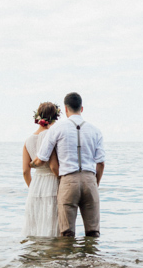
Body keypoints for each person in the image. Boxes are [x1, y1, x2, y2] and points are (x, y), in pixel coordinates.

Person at [34, 92, 105, 237]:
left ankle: (69, 258)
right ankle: (91, 258)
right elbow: (101, 163)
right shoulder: (95, 131)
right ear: (82, 108)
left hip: (68, 181)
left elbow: (41, 158)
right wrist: (95, 182)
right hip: (90, 179)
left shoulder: (57, 128)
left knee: (67, 232)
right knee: (93, 232)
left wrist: (30, 164)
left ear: (66, 109)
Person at [21, 102, 62, 238]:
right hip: (52, 182)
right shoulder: (51, 136)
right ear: (55, 117)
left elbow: (25, 172)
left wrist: (33, 188)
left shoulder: (28, 140)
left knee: (37, 226)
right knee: (52, 223)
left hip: (36, 185)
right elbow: (54, 166)